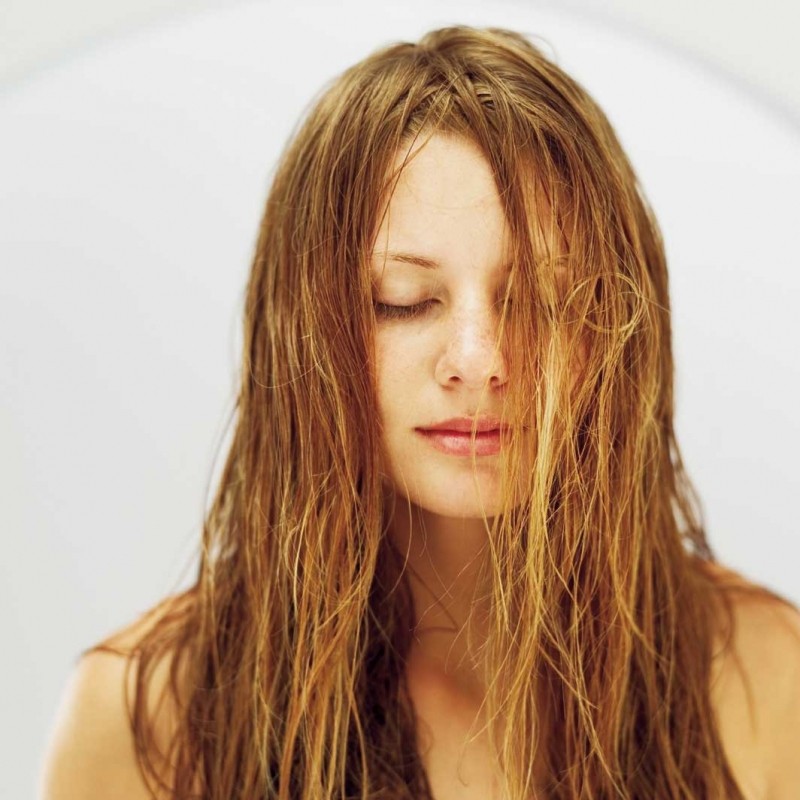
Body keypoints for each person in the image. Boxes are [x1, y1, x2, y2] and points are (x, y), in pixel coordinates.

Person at [39, 26, 800, 800]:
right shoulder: (141, 713)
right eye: (401, 301)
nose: (479, 358)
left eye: (541, 298)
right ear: (303, 334)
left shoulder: (769, 675)